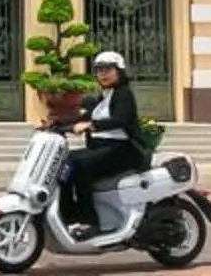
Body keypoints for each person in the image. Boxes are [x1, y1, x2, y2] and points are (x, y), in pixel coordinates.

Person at [62, 50, 149, 236]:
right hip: (104, 149)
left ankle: (90, 222)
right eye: (99, 70)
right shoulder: (104, 96)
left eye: (108, 69)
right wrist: (57, 124)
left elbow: (120, 119)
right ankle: (68, 213)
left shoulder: (124, 94)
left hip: (124, 151)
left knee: (81, 166)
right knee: (64, 161)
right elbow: (86, 117)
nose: (103, 74)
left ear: (120, 71)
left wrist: (91, 126)